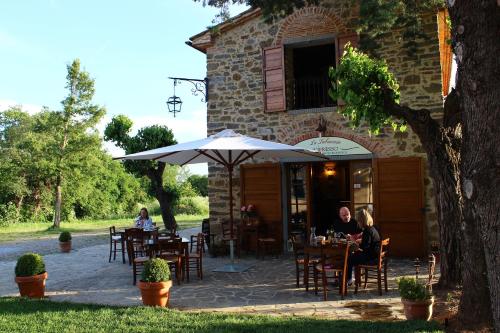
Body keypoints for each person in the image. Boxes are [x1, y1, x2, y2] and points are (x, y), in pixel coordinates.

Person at [346, 209, 381, 285]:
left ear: (361, 220)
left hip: (371, 257)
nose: (358, 223)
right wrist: (361, 241)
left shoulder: (367, 230)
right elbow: (369, 242)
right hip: (375, 255)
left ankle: (348, 279)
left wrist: (354, 241)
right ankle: (352, 279)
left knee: (349, 259)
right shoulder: (372, 228)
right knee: (353, 256)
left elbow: (364, 247)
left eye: (358, 221)